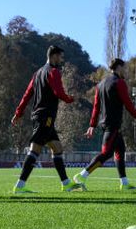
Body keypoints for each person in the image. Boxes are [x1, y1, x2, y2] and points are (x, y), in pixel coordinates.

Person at [10, 46, 84, 194]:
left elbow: (27, 94)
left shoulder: (37, 73)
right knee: (35, 149)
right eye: (60, 57)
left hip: (41, 116)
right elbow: (58, 92)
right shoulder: (53, 72)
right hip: (46, 117)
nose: (61, 60)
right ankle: (19, 186)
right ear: (54, 56)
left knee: (57, 148)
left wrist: (18, 112)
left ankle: (66, 183)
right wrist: (71, 99)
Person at [74, 58, 136, 190]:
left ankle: (124, 183)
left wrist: (92, 125)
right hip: (112, 124)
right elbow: (127, 102)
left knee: (120, 150)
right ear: (118, 67)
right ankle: (82, 175)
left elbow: (96, 107)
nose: (125, 71)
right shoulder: (119, 82)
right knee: (106, 153)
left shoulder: (100, 84)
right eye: (124, 68)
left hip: (108, 124)